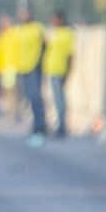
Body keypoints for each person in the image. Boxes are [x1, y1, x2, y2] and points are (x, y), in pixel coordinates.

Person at [12, 6, 47, 146]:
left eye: (25, 14)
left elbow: (44, 45)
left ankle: (40, 128)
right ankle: (35, 127)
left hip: (34, 68)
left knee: (35, 98)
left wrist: (39, 63)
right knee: (30, 99)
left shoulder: (37, 28)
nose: (23, 16)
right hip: (22, 68)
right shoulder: (19, 30)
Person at [45, 10, 75, 138]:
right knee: (56, 100)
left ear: (61, 20)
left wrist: (67, 72)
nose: (53, 22)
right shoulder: (54, 33)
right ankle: (59, 124)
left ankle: (62, 126)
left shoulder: (67, 33)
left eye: (55, 20)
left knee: (60, 100)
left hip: (60, 70)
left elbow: (70, 55)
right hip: (51, 70)